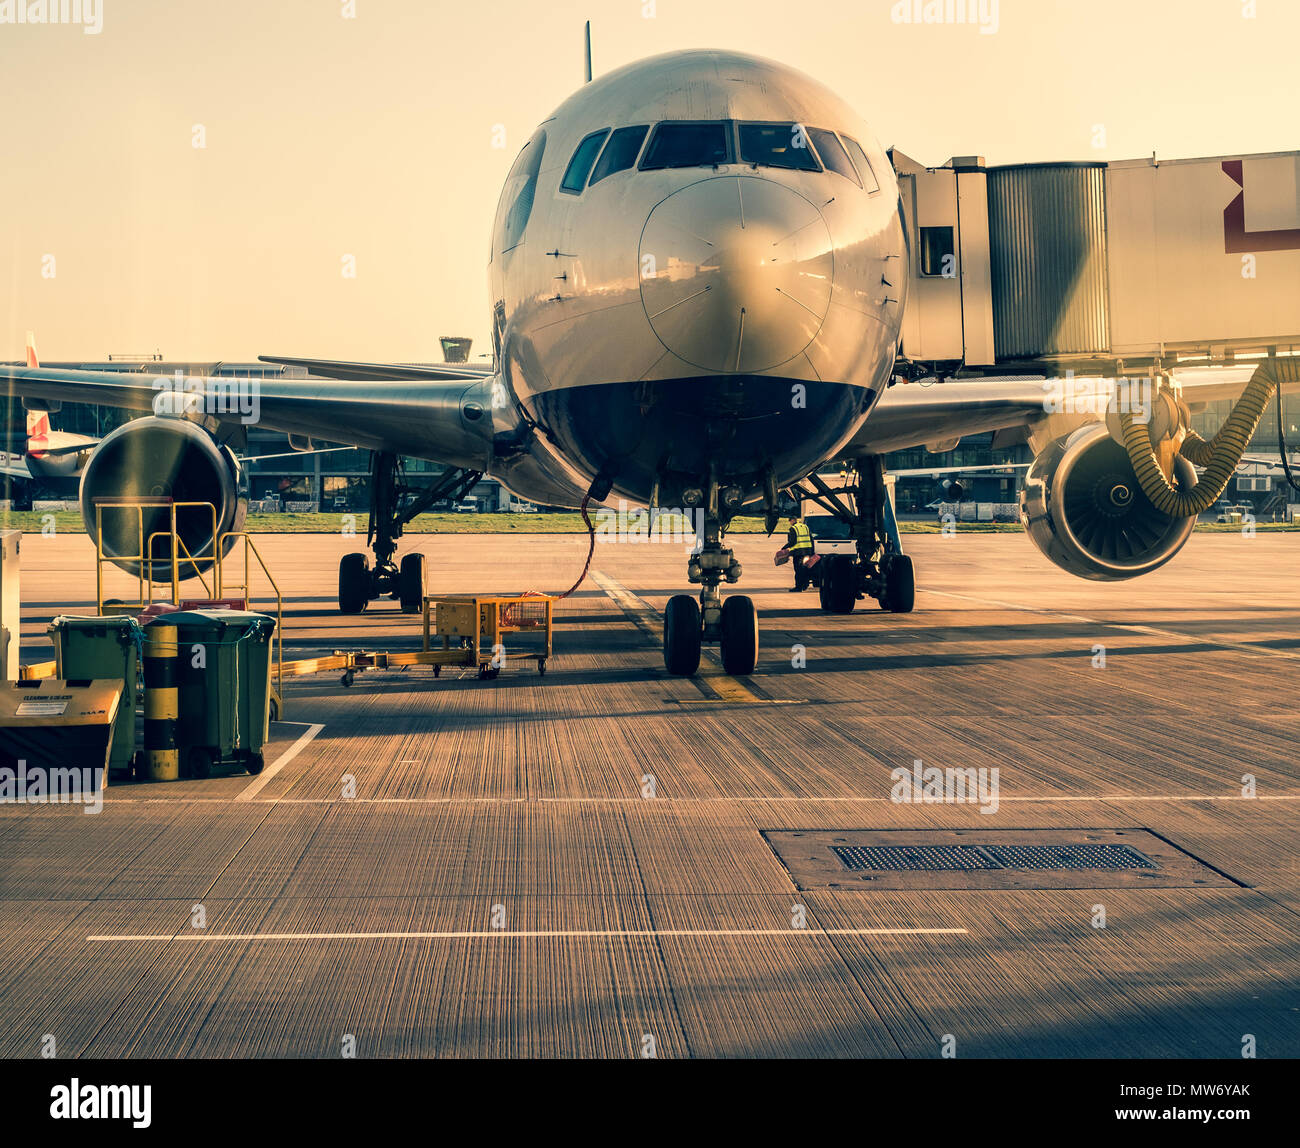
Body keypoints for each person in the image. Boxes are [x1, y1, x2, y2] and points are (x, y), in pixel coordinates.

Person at [786, 514, 814, 591]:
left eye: (790, 521)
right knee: (804, 568)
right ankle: (805, 585)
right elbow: (811, 539)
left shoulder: (793, 528)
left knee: (798, 570)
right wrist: (812, 551)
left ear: (792, 520)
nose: (790, 523)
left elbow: (792, 542)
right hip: (807, 551)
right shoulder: (805, 527)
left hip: (798, 552)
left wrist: (784, 548)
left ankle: (798, 587)